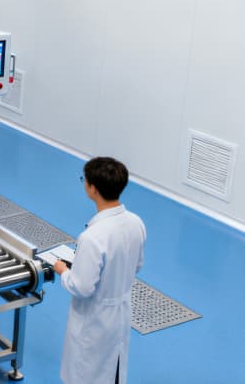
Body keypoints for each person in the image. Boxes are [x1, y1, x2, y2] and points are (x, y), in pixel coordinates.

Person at [53, 156, 146, 384]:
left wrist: (63, 271)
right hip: (120, 315)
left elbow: (82, 287)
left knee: (86, 373)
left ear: (93, 189)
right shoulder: (136, 223)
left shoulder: (92, 237)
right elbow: (137, 265)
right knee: (113, 370)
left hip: (94, 321)